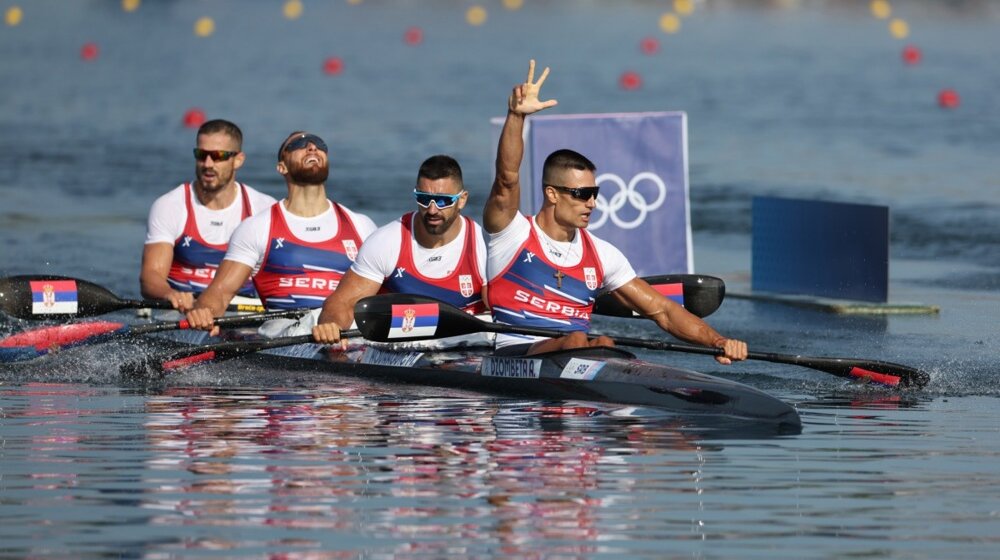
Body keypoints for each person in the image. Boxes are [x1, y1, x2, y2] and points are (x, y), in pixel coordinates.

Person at [484, 60, 748, 363]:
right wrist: (516, 116)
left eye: (594, 194)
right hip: (515, 356)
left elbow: (663, 310)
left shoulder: (602, 255)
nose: (592, 203)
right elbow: (506, 178)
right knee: (581, 340)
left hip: (580, 354)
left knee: (603, 341)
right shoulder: (511, 233)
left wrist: (717, 340)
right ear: (552, 194)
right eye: (582, 194)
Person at [184, 131, 377, 334]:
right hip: (285, 335)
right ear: (281, 167)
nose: (312, 147)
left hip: (347, 335)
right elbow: (220, 294)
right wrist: (204, 313)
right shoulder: (258, 228)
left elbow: (382, 298)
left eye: (319, 144)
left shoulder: (361, 226)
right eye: (299, 145)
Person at [311, 155, 487, 344]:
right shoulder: (387, 241)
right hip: (402, 348)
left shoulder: (484, 246)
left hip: (466, 351)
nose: (432, 209)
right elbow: (342, 303)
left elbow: (504, 309)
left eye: (442, 201)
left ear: (462, 200)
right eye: (424, 199)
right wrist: (331, 324)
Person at [140, 119, 276, 312]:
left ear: (238, 160)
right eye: (201, 155)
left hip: (240, 313)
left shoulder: (264, 208)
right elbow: (151, 276)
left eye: (218, 156)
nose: (208, 164)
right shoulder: (171, 206)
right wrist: (169, 294)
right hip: (181, 312)